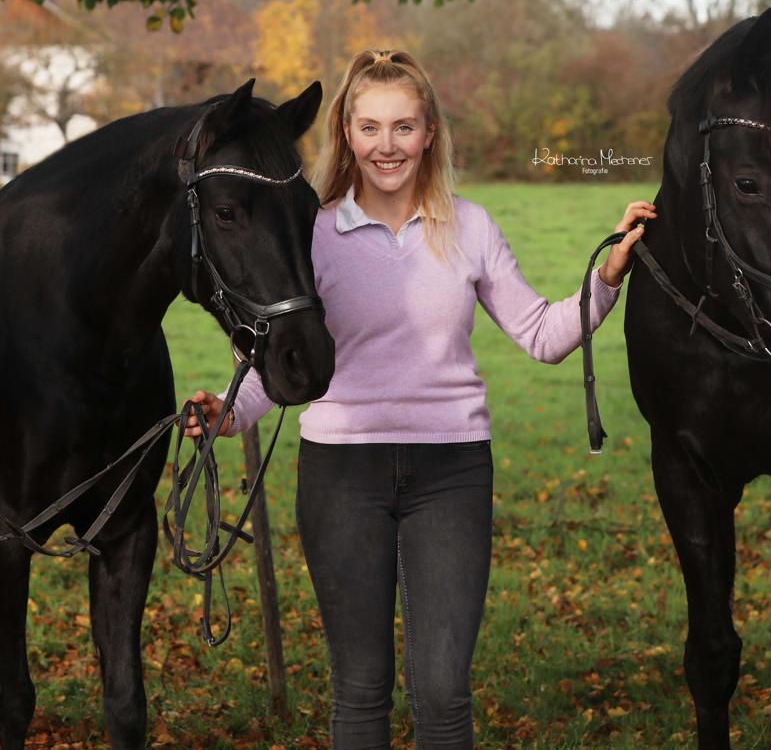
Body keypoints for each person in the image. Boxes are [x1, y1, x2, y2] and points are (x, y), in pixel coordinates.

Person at [184, 49, 654, 749]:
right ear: (347, 134)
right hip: (341, 476)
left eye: (403, 127)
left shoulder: (471, 228)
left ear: (429, 133)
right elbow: (285, 362)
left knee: (442, 693)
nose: (387, 145)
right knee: (360, 690)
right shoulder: (313, 233)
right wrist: (227, 411)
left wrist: (608, 274)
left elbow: (541, 334)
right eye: (370, 127)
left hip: (452, 474)